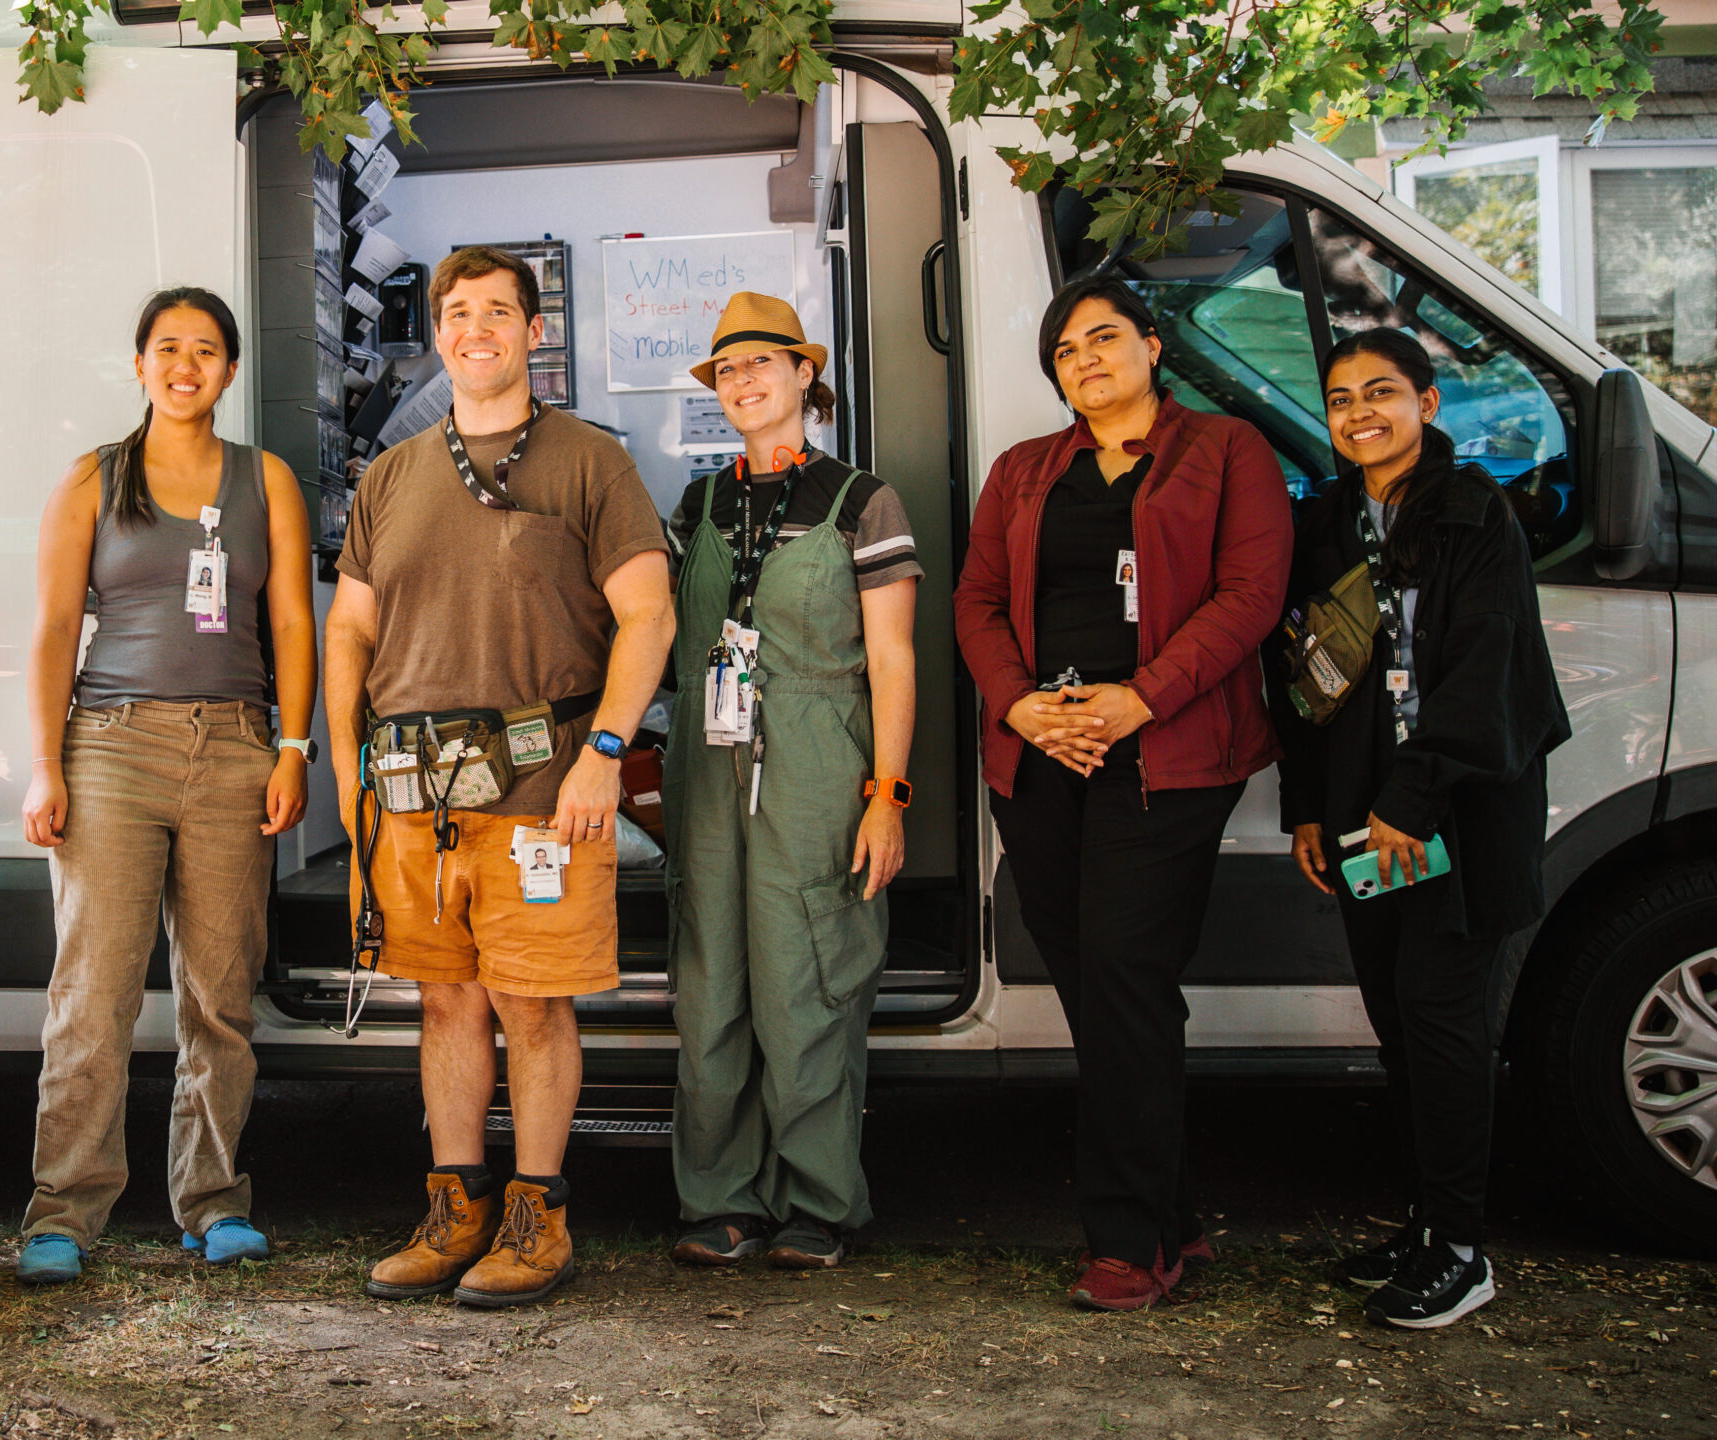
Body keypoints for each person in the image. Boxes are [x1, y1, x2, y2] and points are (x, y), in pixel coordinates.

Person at [326, 245, 675, 1308]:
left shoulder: (588, 462)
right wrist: (350, 777)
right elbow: (349, 631)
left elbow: (648, 614)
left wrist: (605, 754)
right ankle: (452, 1211)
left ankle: (537, 1218)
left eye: (496, 312)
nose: (474, 329)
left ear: (534, 332)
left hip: (542, 796)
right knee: (444, 1006)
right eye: (456, 313)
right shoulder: (389, 477)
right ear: (437, 334)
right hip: (414, 804)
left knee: (532, 1009)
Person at [954, 273, 1292, 1311]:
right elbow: (976, 602)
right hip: (1040, 756)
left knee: (1126, 983)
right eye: (1065, 350)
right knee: (1104, 991)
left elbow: (1250, 597)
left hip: (1166, 758)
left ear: (1152, 347)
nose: (1085, 359)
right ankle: (1172, 1220)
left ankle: (1125, 1239)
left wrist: (1137, 701)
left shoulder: (1225, 452)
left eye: (1104, 339)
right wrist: (1020, 709)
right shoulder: (1022, 471)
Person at [15, 288, 318, 1284]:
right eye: (166, 348)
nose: (185, 364)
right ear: (138, 364)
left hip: (234, 746)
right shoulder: (93, 480)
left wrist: (292, 746)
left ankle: (214, 1200)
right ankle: (64, 1209)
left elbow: (289, 626)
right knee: (92, 996)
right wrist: (45, 765)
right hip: (108, 749)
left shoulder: (262, 479)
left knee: (220, 993)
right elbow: (55, 629)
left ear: (230, 371)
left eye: (205, 350)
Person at [1273, 328, 1568, 1329]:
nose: (1360, 413)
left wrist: (1414, 800)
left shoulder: (1472, 512)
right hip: (1364, 818)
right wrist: (1309, 807)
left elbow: (1486, 668)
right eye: (1343, 397)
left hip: (1454, 818)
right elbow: (1303, 679)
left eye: (1382, 393)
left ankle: (1461, 1248)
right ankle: (1424, 1222)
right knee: (1399, 1023)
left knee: (1444, 1025)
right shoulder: (1326, 518)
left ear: (1429, 403)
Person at [662, 294, 920, 1270]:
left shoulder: (862, 500)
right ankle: (721, 1199)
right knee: (711, 985)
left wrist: (885, 795)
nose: (744, 382)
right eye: (727, 370)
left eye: (763, 363)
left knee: (809, 981)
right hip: (706, 781)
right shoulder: (697, 505)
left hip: (818, 775)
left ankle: (815, 1201)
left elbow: (892, 661)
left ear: (804, 375)